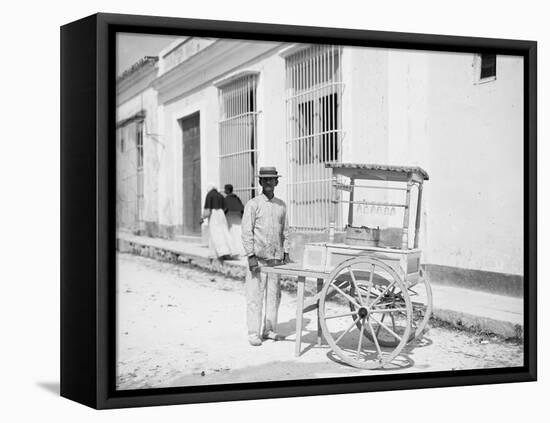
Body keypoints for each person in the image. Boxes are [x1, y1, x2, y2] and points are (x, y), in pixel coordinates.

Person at [241, 167, 291, 346]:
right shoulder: (253, 204)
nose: (269, 182)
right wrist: (250, 255)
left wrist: (286, 252)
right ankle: (253, 333)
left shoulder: (281, 205)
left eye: (272, 179)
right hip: (258, 259)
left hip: (275, 259)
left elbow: (285, 231)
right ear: (260, 182)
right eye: (265, 179)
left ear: (277, 182)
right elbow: (247, 231)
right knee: (255, 296)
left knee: (274, 296)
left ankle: (269, 329)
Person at [202, 183, 234, 260]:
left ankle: (220, 252)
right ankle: (229, 251)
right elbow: (226, 208)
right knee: (224, 232)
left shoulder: (209, 195)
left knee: (215, 233)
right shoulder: (220, 195)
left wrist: (202, 218)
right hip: (222, 215)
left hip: (214, 215)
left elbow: (207, 210)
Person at [223, 184, 246, 257]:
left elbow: (225, 209)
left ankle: (233, 251)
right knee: (239, 234)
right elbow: (242, 208)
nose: (224, 191)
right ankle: (242, 251)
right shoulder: (237, 198)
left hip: (229, 218)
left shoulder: (226, 199)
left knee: (231, 235)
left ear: (227, 190)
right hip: (238, 219)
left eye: (225, 189)